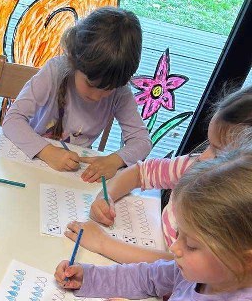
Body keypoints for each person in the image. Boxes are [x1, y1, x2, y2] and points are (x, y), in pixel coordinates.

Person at [21, 144, 252, 301]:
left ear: (245, 259)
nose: (174, 248)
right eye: (179, 233)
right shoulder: (207, 273)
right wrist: (89, 278)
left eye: (192, 244)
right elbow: (148, 278)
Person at [66, 86, 252, 264]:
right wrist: (105, 197)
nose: (203, 156)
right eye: (208, 144)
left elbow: (176, 267)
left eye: (218, 152)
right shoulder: (194, 166)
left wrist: (103, 243)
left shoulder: (231, 213)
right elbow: (140, 172)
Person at [2, 7, 151, 182]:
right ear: (74, 60)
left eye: (108, 89)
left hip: (72, 175)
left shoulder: (120, 91)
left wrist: (114, 160)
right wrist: (47, 152)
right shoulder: (55, 71)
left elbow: (142, 141)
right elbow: (12, 120)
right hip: (31, 161)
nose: (97, 96)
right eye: (90, 85)